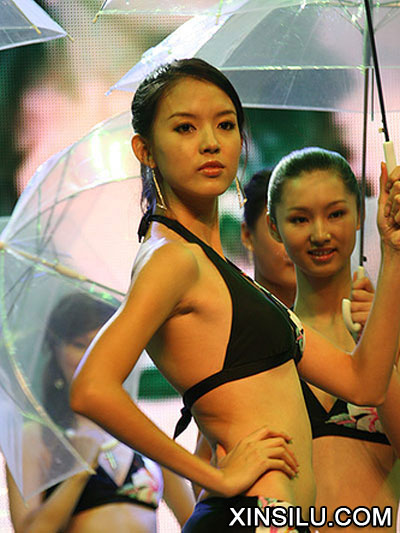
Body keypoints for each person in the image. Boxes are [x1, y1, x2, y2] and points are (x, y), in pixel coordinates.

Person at [69, 58, 400, 532]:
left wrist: (392, 251)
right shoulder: (172, 258)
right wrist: (213, 478)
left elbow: (363, 383)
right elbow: (91, 388)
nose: (210, 142)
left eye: (225, 125)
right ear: (145, 150)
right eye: (185, 127)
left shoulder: (224, 274)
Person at [266, 147, 400, 531]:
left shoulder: (394, 331)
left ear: (360, 214)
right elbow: (212, 467)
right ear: (273, 227)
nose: (320, 234)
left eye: (336, 214)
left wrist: (376, 347)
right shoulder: (264, 339)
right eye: (300, 219)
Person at [6, 292, 194, 533]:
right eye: (79, 345)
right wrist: (78, 473)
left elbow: (194, 518)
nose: (92, 356)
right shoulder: (36, 437)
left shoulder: (140, 430)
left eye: (102, 344)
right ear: (55, 349)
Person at [241, 169, 296, 307]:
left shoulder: (343, 313)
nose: (294, 242)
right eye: (277, 229)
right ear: (247, 235)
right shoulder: (231, 313)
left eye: (302, 222)